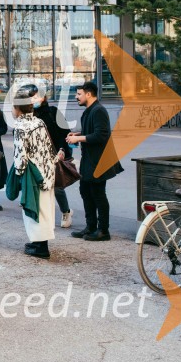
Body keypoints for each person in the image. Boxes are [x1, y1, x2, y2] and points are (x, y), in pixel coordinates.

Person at [66, 81, 124, 242]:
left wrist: (78, 138)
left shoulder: (98, 110)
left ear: (88, 94)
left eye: (79, 94)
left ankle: (103, 230)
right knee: (85, 191)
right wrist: (78, 133)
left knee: (98, 194)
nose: (76, 97)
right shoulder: (90, 110)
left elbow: (101, 135)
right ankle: (90, 226)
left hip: (100, 161)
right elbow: (92, 131)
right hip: (90, 160)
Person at [11, 90, 57, 259]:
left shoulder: (20, 126)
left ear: (17, 108)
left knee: (34, 210)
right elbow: (48, 147)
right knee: (45, 208)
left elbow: (20, 157)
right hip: (47, 171)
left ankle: (41, 248)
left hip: (33, 174)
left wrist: (18, 174)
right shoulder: (39, 122)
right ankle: (39, 243)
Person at [26, 85, 74, 228]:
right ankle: (43, 214)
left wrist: (62, 150)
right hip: (36, 156)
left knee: (56, 186)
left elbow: (65, 132)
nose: (34, 100)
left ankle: (66, 211)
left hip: (54, 153)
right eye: (31, 97)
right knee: (39, 185)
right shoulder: (28, 114)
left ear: (43, 97)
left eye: (36, 96)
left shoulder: (53, 112)